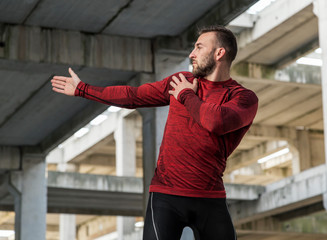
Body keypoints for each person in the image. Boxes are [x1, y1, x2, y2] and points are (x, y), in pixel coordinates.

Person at [51, 25, 258, 240]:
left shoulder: (242, 98)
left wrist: (186, 95)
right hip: (166, 197)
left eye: (198, 47)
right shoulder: (180, 81)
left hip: (210, 198)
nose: (191, 54)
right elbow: (133, 96)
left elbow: (215, 121)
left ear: (219, 53)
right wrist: (82, 89)